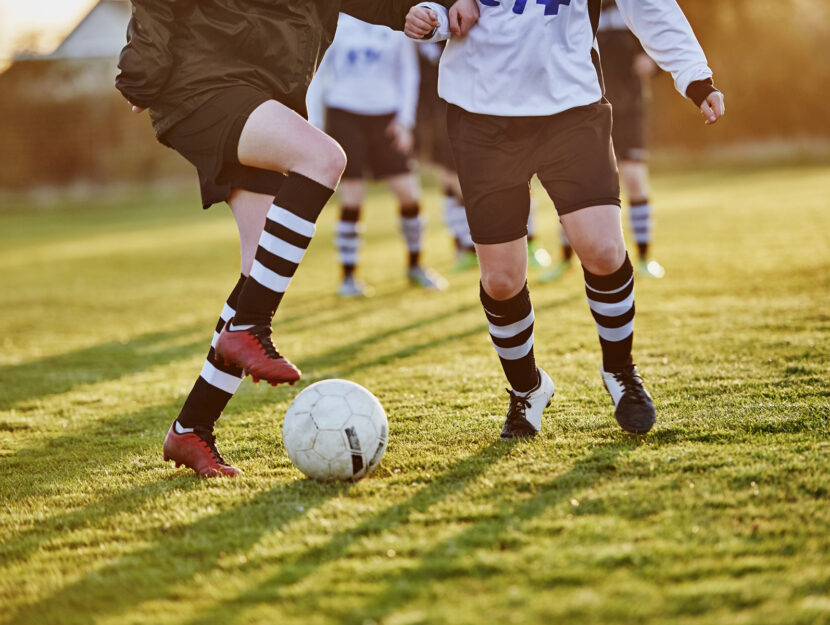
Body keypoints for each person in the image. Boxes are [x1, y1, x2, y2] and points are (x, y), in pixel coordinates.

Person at [115, 0, 462, 477]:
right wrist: (141, 72)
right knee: (323, 158)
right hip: (204, 85)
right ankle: (249, 327)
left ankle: (192, 430)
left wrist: (412, 10)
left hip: (262, 94)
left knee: (259, 268)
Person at [406, 0, 725, 437]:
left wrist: (695, 77)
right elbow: (443, 10)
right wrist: (431, 13)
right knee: (501, 279)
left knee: (603, 249)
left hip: (571, 104)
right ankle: (527, 390)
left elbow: (648, 5)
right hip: (481, 111)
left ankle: (620, 371)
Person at [306, 14, 447, 297]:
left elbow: (409, 73)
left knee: (409, 194)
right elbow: (318, 73)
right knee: (352, 197)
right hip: (344, 116)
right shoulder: (335, 21)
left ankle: (416, 266)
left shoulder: (393, 19)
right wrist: (316, 125)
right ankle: (348, 277)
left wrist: (405, 121)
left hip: (386, 118)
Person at [545, 0, 665, 282]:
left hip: (629, 108)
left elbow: (663, 35)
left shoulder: (633, 5)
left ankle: (646, 256)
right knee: (573, 180)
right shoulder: (575, 6)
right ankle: (565, 258)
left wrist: (653, 62)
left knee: (634, 177)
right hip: (585, 106)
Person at [414, 43, 551, 274]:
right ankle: (464, 248)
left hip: (484, 101)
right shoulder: (421, 26)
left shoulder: (464, 14)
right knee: (450, 179)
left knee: (515, 172)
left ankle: (531, 241)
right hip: (437, 108)